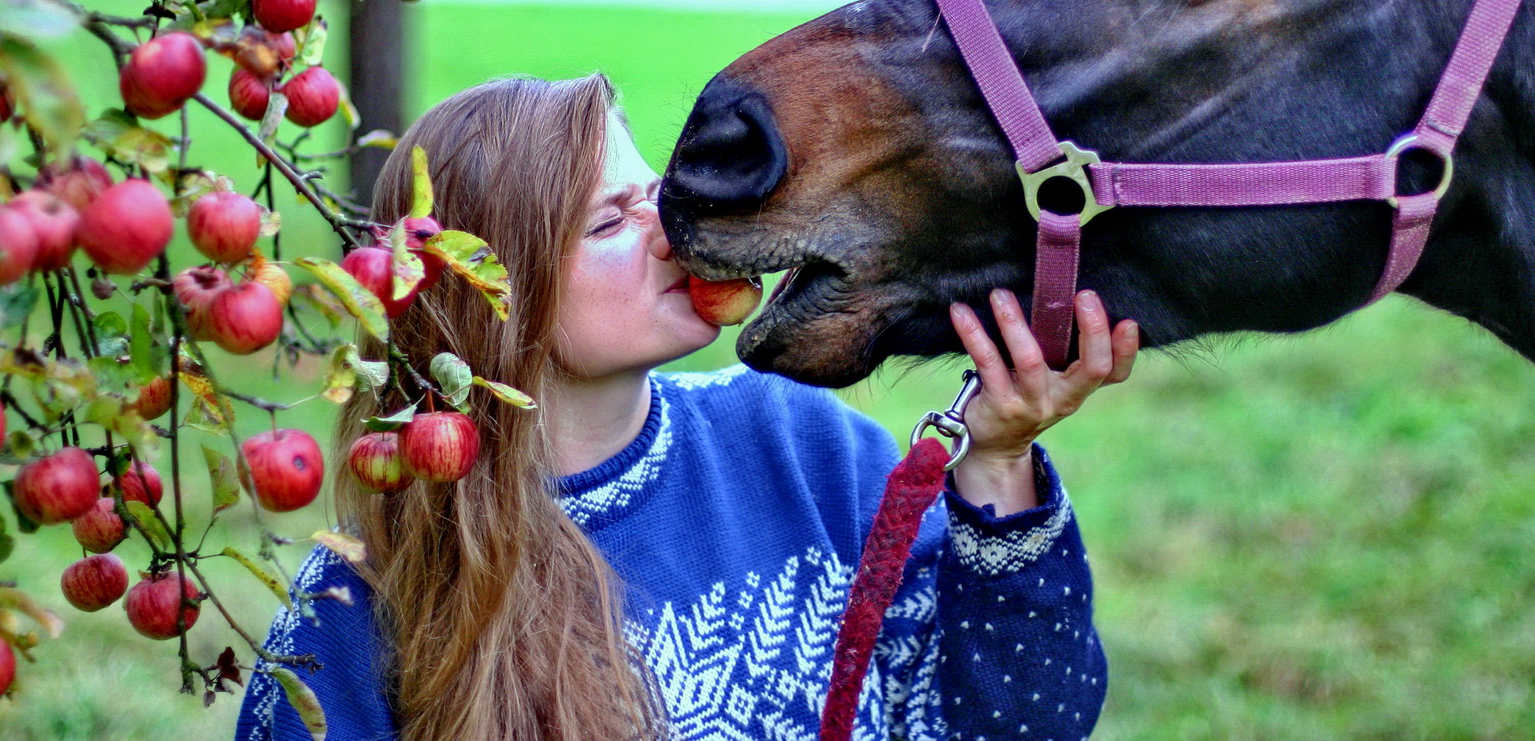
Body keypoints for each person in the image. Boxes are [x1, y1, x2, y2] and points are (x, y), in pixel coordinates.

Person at [234, 74, 1139, 741]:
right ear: (488, 295)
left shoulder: (800, 443)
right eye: (607, 222)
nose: (677, 228)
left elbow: (1032, 722)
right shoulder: (362, 602)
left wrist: (998, 459)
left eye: (654, 192)